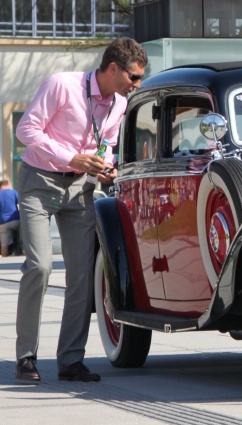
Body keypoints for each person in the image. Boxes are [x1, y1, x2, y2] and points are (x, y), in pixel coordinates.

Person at [14, 38, 148, 383]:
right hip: (39, 181)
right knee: (40, 266)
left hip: (80, 187)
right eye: (134, 77)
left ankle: (70, 361)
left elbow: (108, 145)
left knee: (82, 276)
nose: (138, 85)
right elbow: (25, 130)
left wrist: (108, 166)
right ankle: (26, 356)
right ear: (113, 68)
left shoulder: (119, 103)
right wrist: (69, 157)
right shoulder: (61, 84)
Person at [0, 179, 20, 257]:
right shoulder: (14, 192)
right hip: (16, 219)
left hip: (3, 222)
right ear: (7, 185)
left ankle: (4, 256)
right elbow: (21, 202)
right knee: (23, 235)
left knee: (4, 243)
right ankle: (22, 252)